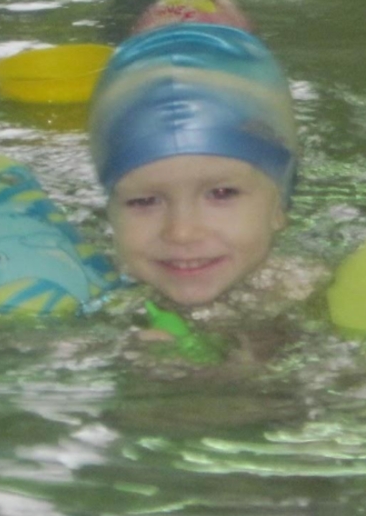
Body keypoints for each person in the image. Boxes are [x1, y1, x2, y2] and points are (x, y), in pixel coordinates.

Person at [88, 16, 299, 308]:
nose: (181, 232)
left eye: (221, 193)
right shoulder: (90, 283)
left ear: (278, 207)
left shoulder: (305, 296)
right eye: (144, 201)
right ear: (110, 210)